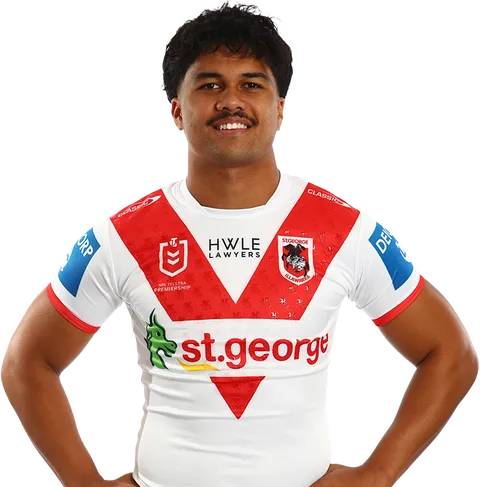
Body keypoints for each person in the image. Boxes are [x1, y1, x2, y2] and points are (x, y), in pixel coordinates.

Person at [1, 2, 478, 486]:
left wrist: (377, 475)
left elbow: (451, 354)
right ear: (176, 111)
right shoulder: (122, 235)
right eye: (210, 85)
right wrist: (85, 484)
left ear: (280, 109)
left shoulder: (343, 229)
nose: (231, 100)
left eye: (252, 84)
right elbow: (26, 362)